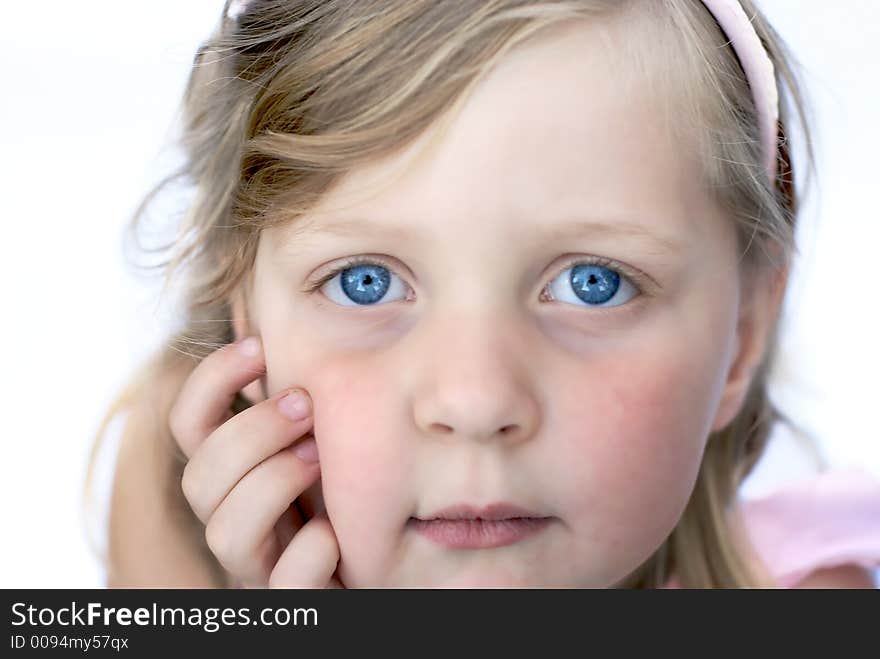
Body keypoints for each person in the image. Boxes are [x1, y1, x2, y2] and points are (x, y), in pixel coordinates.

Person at [84, 0, 880, 588]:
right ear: (247, 314)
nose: (473, 399)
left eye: (590, 284)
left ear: (741, 334)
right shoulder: (173, 522)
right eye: (368, 282)